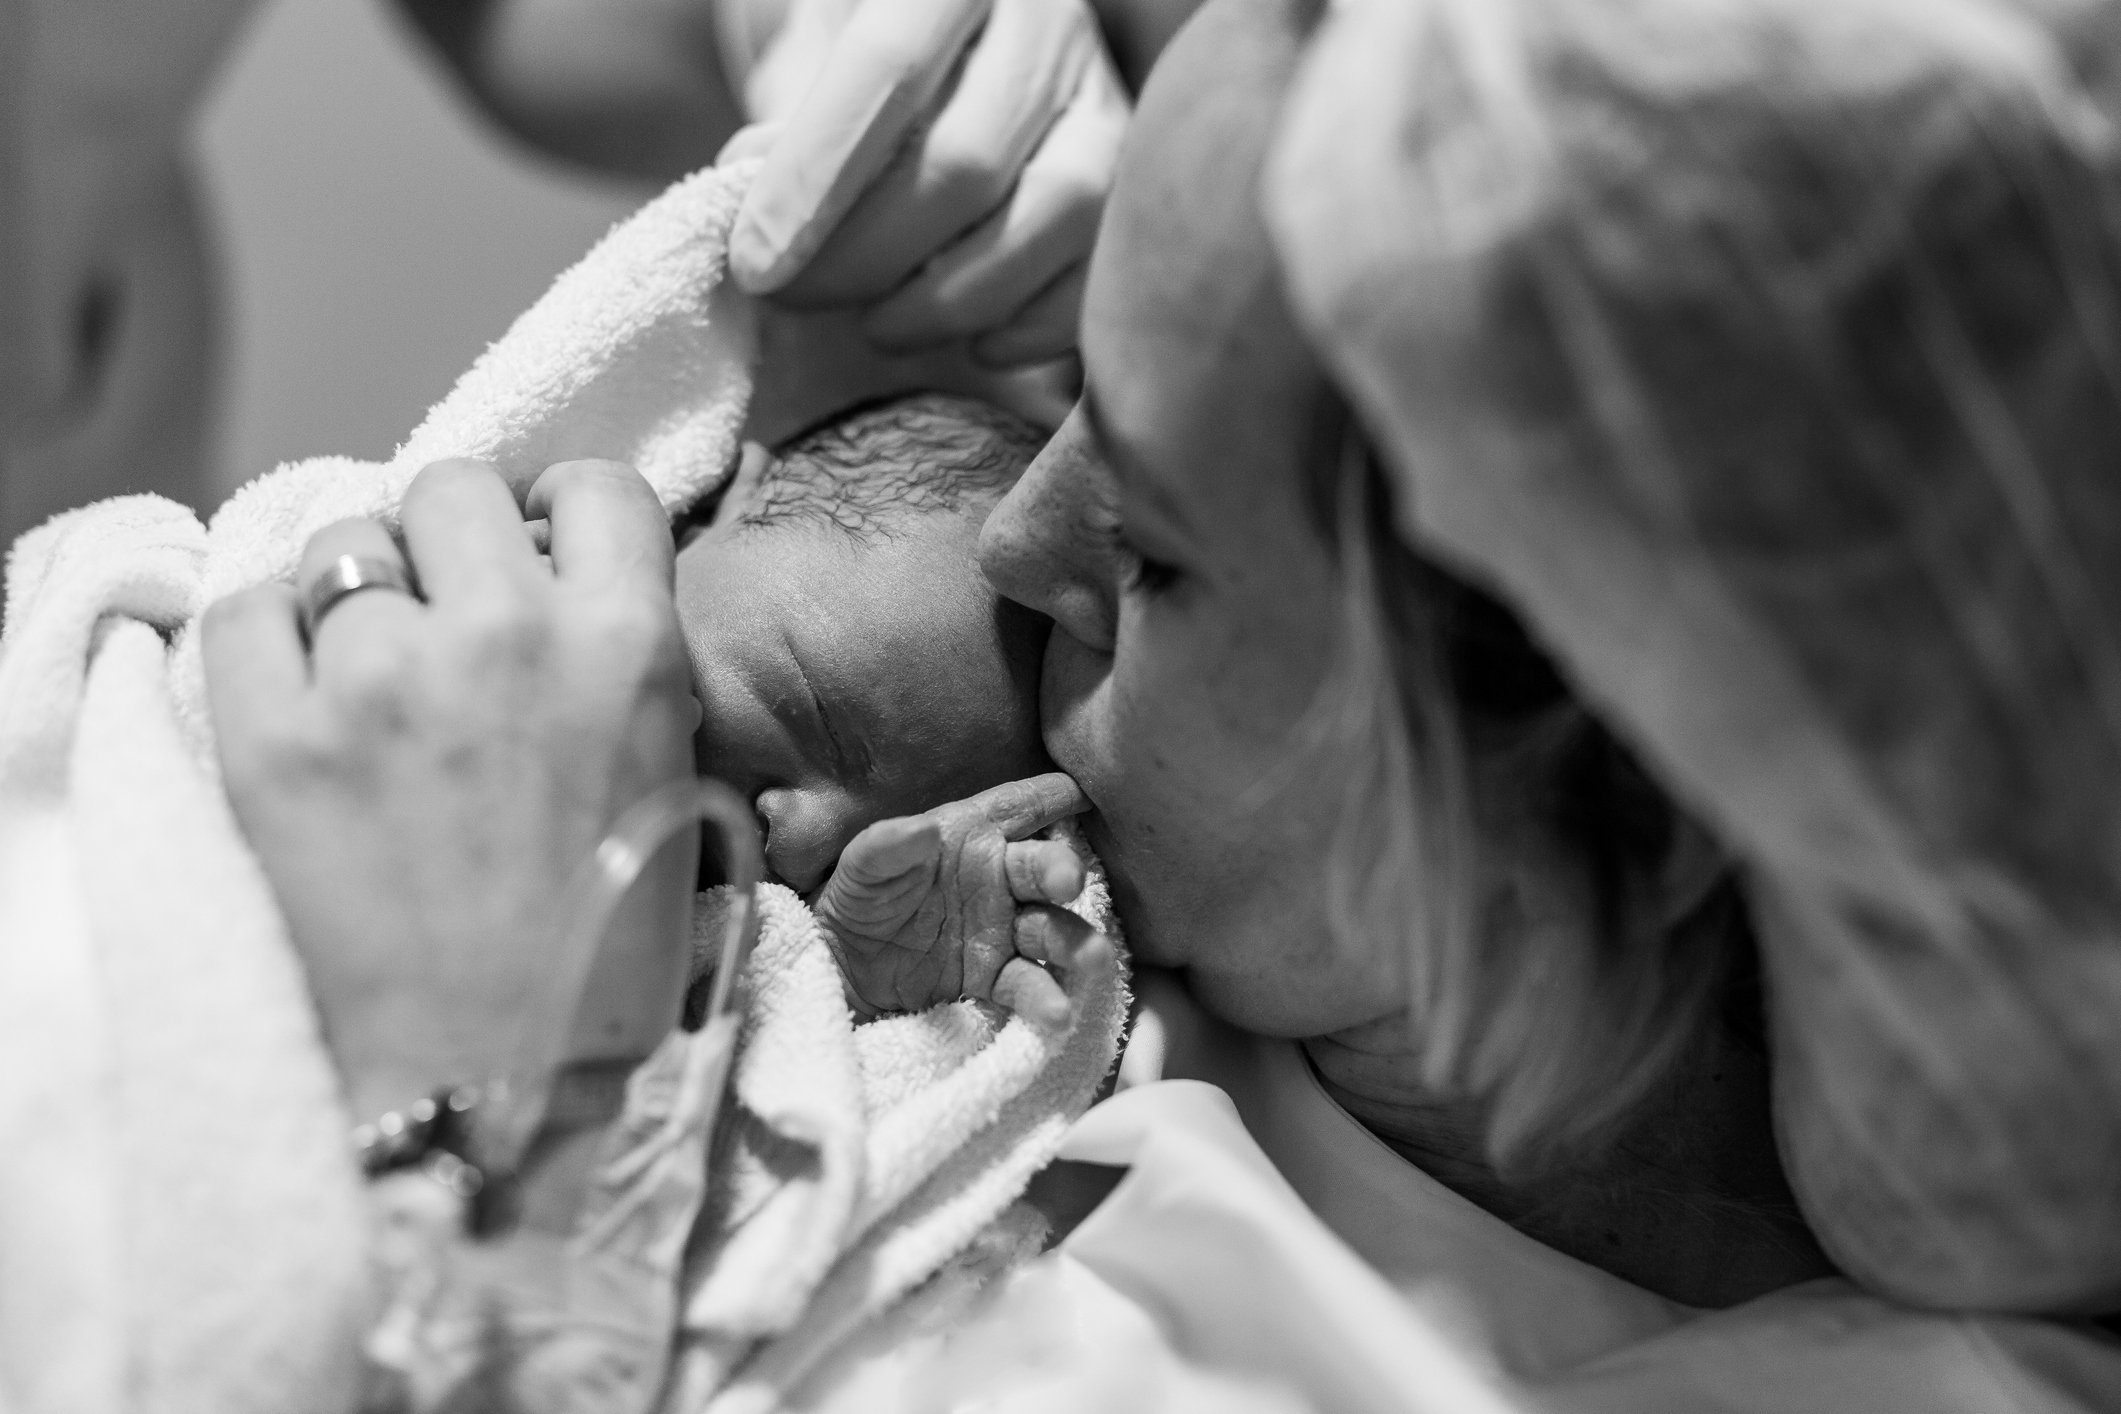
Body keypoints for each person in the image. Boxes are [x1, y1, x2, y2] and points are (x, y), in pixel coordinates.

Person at [200, 0, 2121, 1409]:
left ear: (1596, 804)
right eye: (1079, 398)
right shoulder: (1048, 946)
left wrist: (484, 1117)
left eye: (1160, 551)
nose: (1015, 540)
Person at [676, 392, 1093, 1021]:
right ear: (714, 507)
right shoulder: (555, 555)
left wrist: (825, 981)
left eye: (862, 852)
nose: (801, 852)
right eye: (814, 715)